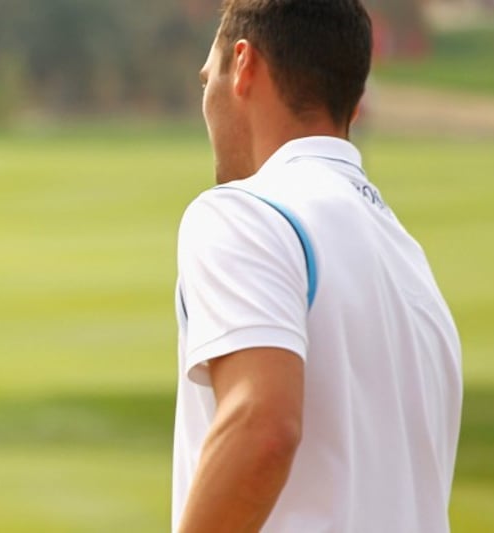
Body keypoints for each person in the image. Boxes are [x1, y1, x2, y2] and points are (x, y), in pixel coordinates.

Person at [172, 1, 462, 532]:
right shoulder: (409, 262)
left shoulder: (246, 213)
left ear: (244, 65)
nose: (206, 98)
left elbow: (261, 426)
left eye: (206, 77)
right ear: (350, 106)